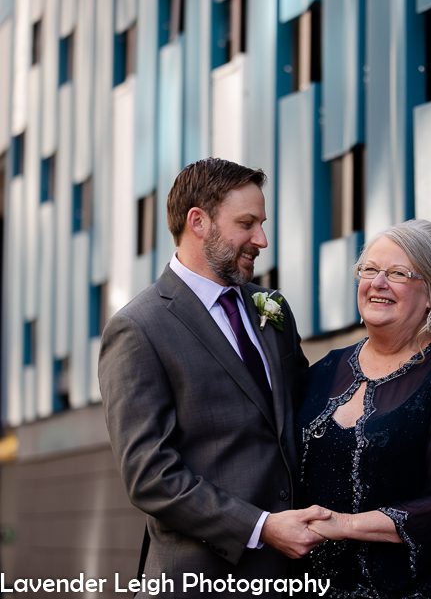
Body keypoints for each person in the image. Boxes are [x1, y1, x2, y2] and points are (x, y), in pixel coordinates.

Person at [99, 158, 328, 598]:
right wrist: (261, 527)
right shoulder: (138, 328)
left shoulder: (271, 308)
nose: (261, 240)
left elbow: (303, 413)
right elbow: (151, 476)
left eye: (261, 224)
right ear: (198, 222)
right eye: (247, 223)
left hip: (292, 576)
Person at [297, 219, 431, 598]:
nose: (378, 283)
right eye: (369, 270)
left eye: (398, 273)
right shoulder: (325, 371)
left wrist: (345, 524)